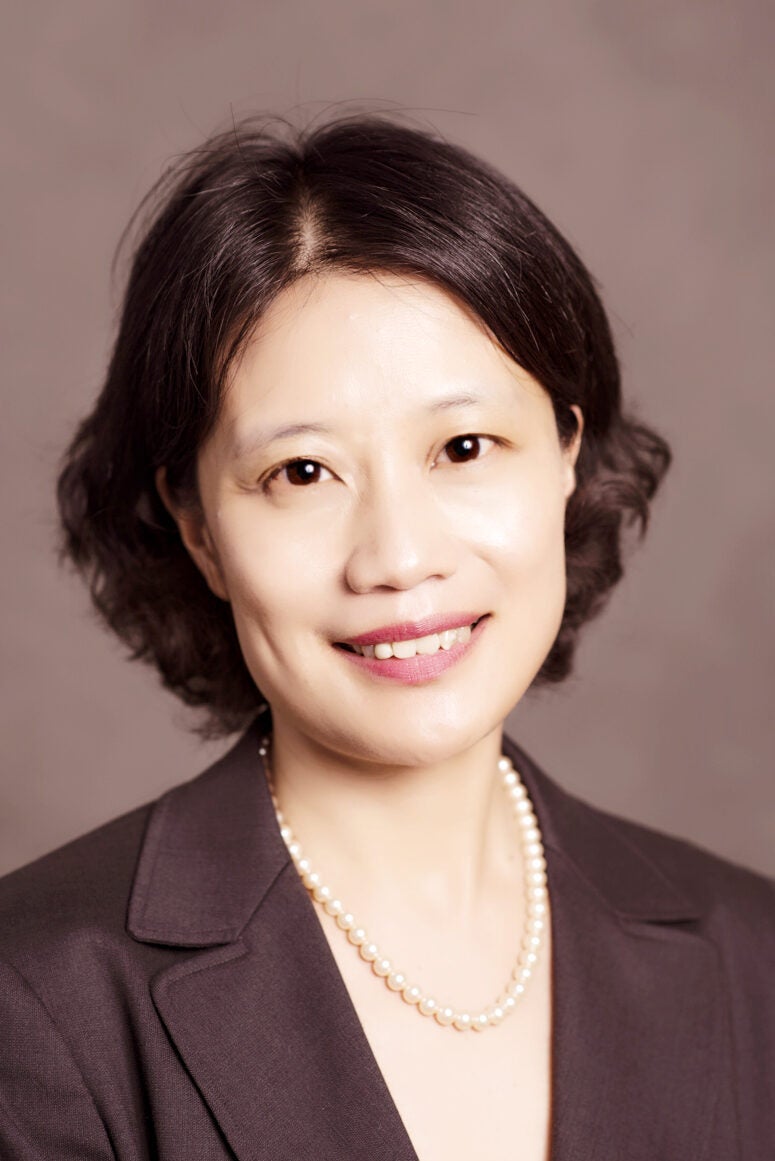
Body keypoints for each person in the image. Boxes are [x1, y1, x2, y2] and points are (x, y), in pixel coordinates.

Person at [0, 111, 772, 1161]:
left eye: (463, 446)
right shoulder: (36, 998)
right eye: (302, 473)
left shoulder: (751, 959)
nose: (398, 558)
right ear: (199, 529)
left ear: (563, 458)